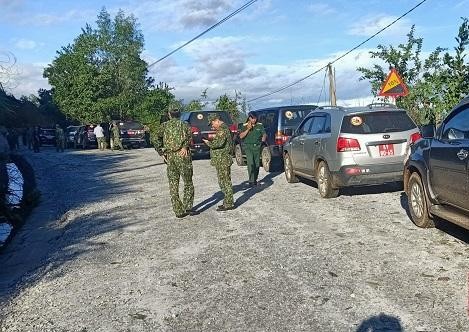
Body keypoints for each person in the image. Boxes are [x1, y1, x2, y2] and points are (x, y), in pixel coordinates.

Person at [155, 108, 195, 218]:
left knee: (173, 183)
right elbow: (190, 136)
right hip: (182, 155)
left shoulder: (164, 125)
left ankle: (178, 210)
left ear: (169, 114)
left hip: (170, 156)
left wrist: (161, 152)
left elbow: (155, 138)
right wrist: (185, 146)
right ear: (180, 114)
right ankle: (188, 207)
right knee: (188, 182)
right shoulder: (185, 124)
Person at [202, 114, 234, 211]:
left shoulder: (222, 129)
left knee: (225, 182)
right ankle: (227, 201)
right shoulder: (222, 129)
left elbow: (218, 143)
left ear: (216, 120)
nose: (212, 126)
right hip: (221, 159)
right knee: (222, 181)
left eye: (212, 123)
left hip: (223, 159)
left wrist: (208, 142)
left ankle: (229, 203)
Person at [238, 112, 267, 187]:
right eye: (252, 118)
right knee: (251, 163)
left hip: (257, 147)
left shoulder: (259, 125)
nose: (254, 120)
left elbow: (264, 134)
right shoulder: (244, 126)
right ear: (249, 118)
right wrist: (248, 129)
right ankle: (251, 181)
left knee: (257, 164)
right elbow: (241, 136)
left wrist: (263, 139)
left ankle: (254, 180)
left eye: (255, 118)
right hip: (248, 147)